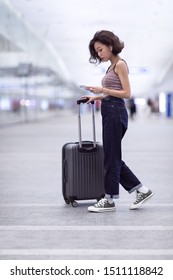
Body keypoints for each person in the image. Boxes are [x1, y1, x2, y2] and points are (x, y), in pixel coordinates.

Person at [82, 30, 154, 213]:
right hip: (109, 110)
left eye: (100, 50)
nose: (99, 54)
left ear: (110, 46)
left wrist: (102, 89)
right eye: (96, 51)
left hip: (115, 112)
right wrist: (96, 96)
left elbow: (127, 94)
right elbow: (111, 92)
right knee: (112, 156)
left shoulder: (120, 65)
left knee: (111, 157)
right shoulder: (110, 66)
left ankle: (109, 200)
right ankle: (141, 190)